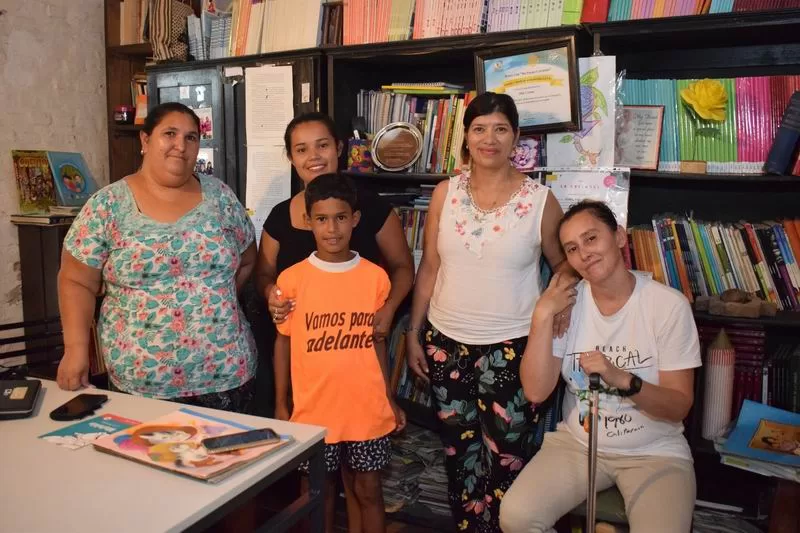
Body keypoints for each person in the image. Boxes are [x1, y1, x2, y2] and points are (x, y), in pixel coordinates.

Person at [405, 92, 577, 532]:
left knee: (508, 462)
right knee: (460, 460)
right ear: (466, 136)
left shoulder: (540, 200)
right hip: (445, 345)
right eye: (480, 128)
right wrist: (413, 332)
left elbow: (564, 268)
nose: (490, 138)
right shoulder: (446, 192)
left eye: (501, 128)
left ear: (515, 136)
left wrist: (554, 314)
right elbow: (430, 265)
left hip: (513, 350)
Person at [499, 200, 702, 533]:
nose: (584, 253)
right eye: (573, 248)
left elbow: (678, 406)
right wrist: (541, 316)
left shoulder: (667, 306)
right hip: (578, 445)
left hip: (655, 451)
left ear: (619, 236)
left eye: (591, 238)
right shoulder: (569, 307)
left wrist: (623, 379)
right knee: (516, 517)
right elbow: (536, 390)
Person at [56, 102, 258, 413]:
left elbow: (246, 259)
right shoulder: (107, 205)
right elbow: (75, 281)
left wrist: (214, 304)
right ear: (145, 140)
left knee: (231, 461)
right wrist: (75, 350)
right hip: (141, 384)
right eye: (170, 134)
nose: (181, 145)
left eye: (191, 137)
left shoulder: (221, 198)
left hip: (228, 375)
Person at [253, 112, 414, 416]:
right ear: (291, 158)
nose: (313, 156)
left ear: (339, 148)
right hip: (302, 365)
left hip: (357, 355)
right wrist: (271, 293)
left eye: (322, 145)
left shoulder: (372, 208)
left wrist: (389, 307)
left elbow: (403, 267)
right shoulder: (279, 215)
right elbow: (263, 273)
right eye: (301, 149)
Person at [274, 173, 406, 533]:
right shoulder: (292, 279)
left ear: (355, 219)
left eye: (341, 217)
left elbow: (378, 342)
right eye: (321, 219)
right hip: (314, 413)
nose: (332, 228)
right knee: (320, 493)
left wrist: (389, 399)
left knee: (368, 491)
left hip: (366, 410)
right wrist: (281, 404)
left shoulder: (376, 277)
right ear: (308, 222)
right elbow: (283, 343)